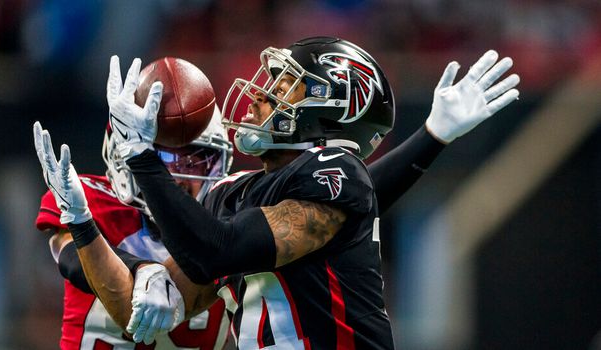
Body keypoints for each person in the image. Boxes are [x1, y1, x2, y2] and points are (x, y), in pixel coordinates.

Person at [34, 36, 519, 349]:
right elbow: (145, 310)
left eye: (286, 86)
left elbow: (217, 249)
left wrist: (144, 160)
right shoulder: (235, 194)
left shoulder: (336, 171)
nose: (263, 94)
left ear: (332, 109)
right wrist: (84, 229)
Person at [33, 108, 233, 349]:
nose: (178, 178)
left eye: (193, 163)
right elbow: (73, 258)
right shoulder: (90, 201)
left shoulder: (230, 211)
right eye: (162, 161)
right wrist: (139, 266)